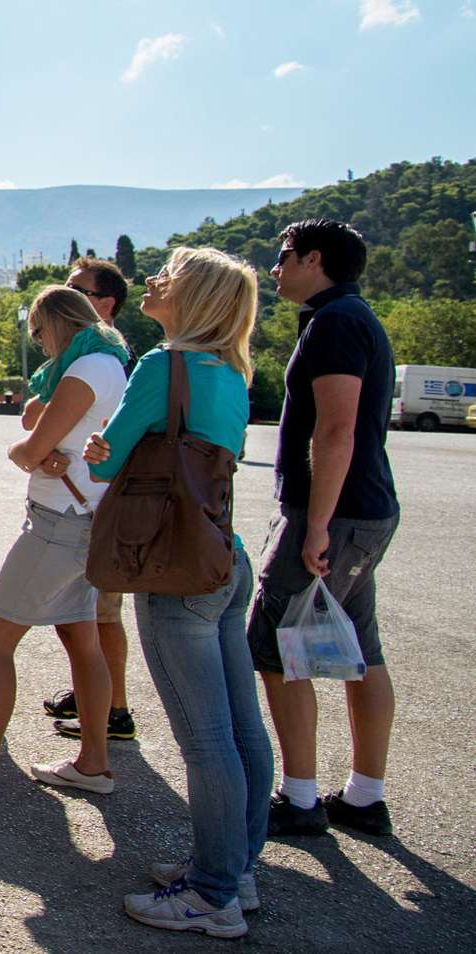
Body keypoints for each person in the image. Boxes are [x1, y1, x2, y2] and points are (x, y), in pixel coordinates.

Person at [82, 246, 269, 937]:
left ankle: (213, 893)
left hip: (172, 566)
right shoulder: (231, 373)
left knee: (205, 739)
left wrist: (101, 447)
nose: (154, 281)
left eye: (170, 276)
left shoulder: (164, 366)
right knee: (241, 727)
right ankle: (236, 869)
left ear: (193, 298)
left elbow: (112, 457)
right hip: (223, 556)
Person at [0, 285, 128, 801]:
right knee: (82, 640)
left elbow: (28, 449)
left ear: (57, 323)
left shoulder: (84, 370)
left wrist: (30, 451)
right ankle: (93, 763)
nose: (38, 344)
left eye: (39, 333)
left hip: (61, 520)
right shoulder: (111, 363)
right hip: (90, 515)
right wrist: (44, 450)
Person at [250, 219, 401, 838]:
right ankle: (364, 798)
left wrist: (315, 526)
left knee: (275, 646)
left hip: (335, 516)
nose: (276, 268)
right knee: (361, 650)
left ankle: (302, 798)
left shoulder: (334, 323)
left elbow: (335, 430)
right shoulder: (352, 315)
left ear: (314, 258)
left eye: (283, 256)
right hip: (366, 512)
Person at [41, 257, 141, 743]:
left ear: (105, 304)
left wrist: (40, 449)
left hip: (96, 505)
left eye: (77, 291)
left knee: (101, 612)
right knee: (81, 613)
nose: (67, 296)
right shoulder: (81, 357)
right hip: (81, 499)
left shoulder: (110, 360)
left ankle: (115, 708)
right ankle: (93, 694)